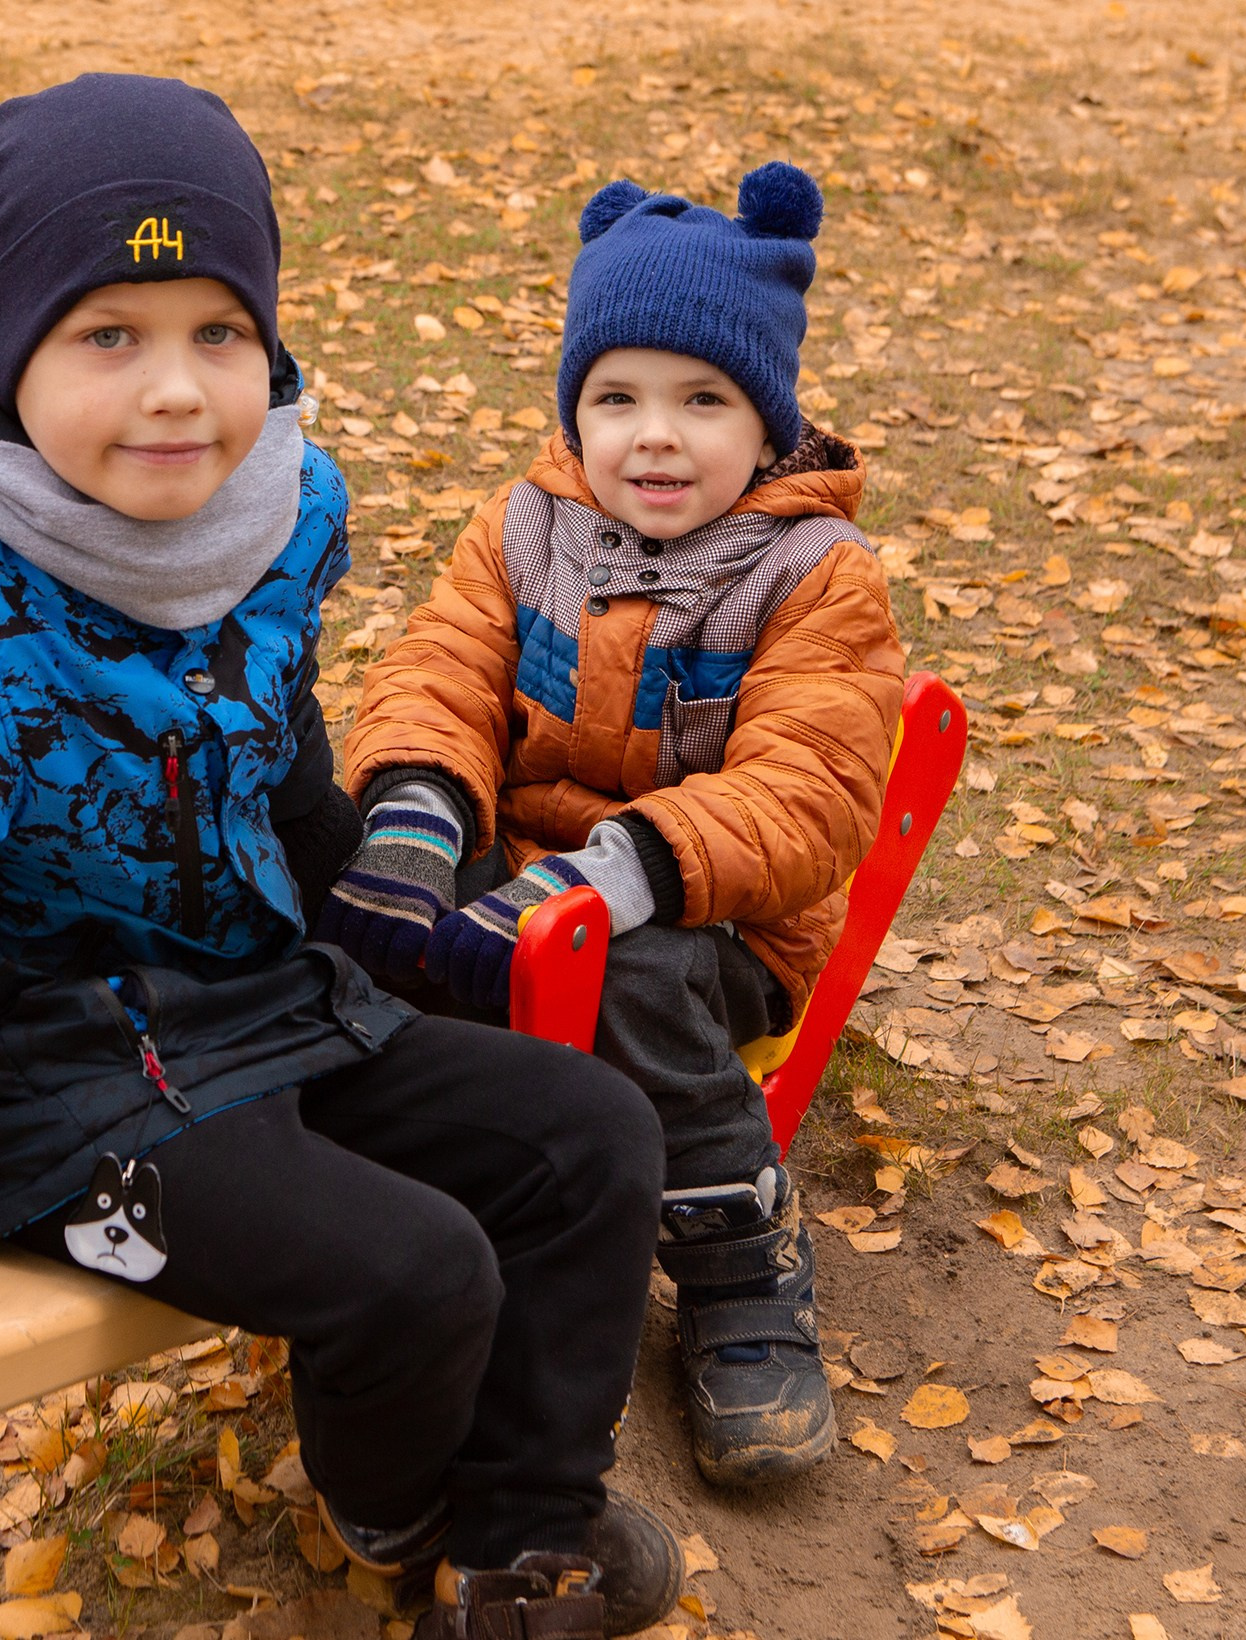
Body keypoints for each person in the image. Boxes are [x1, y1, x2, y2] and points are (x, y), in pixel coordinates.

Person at [0, 75, 680, 1640]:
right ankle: (400, 1512)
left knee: (590, 1134)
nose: (175, 393)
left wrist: (398, 914)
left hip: (251, 1008)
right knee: (416, 1269)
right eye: (107, 336)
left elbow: (272, 752)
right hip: (33, 1086)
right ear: (10, 349)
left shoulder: (272, 510)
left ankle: (520, 1548)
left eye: (218, 331)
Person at [324, 162, 907, 1486]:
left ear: (767, 422)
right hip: (529, 876)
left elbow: (807, 792)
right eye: (617, 398)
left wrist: (619, 873)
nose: (655, 437)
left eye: (703, 402)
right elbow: (440, 670)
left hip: (717, 917)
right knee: (361, 893)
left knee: (633, 980)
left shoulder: (815, 578)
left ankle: (738, 1263)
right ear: (575, 410)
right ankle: (410, 1171)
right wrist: (415, 810)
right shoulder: (526, 526)